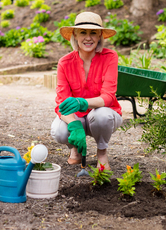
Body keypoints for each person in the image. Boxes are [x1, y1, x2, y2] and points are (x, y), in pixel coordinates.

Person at [51, 11, 123, 170]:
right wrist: (74, 125)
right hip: (79, 117)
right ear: (75, 35)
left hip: (104, 113)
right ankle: (75, 149)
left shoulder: (110, 57)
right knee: (60, 131)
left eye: (93, 33)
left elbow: (108, 97)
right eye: (83, 32)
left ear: (100, 36)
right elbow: (62, 102)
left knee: (102, 115)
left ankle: (102, 152)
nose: (88, 37)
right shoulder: (64, 63)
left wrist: (82, 102)